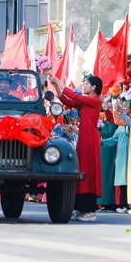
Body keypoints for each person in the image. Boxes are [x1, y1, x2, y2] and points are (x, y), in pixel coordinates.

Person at [49, 74, 103, 222]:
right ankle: (79, 208)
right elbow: (67, 100)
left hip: (90, 139)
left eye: (87, 84)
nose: (84, 86)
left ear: (93, 88)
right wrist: (55, 87)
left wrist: (59, 82)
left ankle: (89, 211)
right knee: (81, 170)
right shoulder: (87, 102)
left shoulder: (95, 101)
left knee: (88, 172)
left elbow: (75, 96)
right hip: (83, 138)